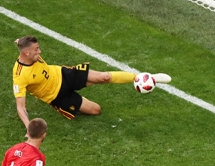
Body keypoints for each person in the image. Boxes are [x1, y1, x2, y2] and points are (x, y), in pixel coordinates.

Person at [12, 35, 172, 126]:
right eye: (36, 50)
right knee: (96, 110)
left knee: (104, 77)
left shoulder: (28, 51)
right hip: (57, 97)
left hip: (63, 74)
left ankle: (140, 77)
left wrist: (19, 41)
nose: (39, 52)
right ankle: (74, 105)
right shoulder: (20, 76)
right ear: (26, 53)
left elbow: (21, 43)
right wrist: (28, 125)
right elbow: (21, 107)